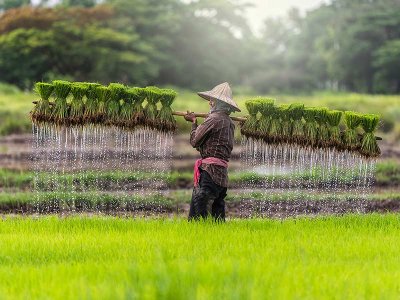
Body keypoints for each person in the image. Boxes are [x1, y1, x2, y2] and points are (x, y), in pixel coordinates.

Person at [184, 82, 241, 221]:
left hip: (210, 171)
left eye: (211, 101)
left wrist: (193, 122)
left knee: (199, 206)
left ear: (215, 103)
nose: (209, 103)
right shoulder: (229, 123)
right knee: (218, 209)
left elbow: (195, 141)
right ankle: (215, 234)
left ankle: (199, 234)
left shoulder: (213, 119)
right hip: (222, 173)